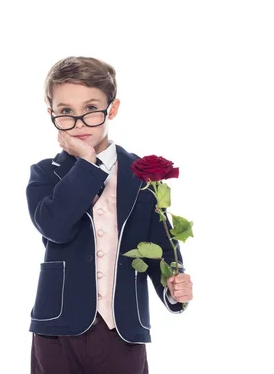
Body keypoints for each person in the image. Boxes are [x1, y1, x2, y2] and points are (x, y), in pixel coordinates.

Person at [25, 56, 194, 373]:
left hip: (123, 330)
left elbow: (161, 247)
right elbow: (55, 227)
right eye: (66, 112)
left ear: (112, 109)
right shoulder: (46, 174)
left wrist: (174, 287)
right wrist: (87, 164)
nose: (78, 123)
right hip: (57, 329)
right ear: (51, 114)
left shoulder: (142, 176)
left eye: (90, 109)